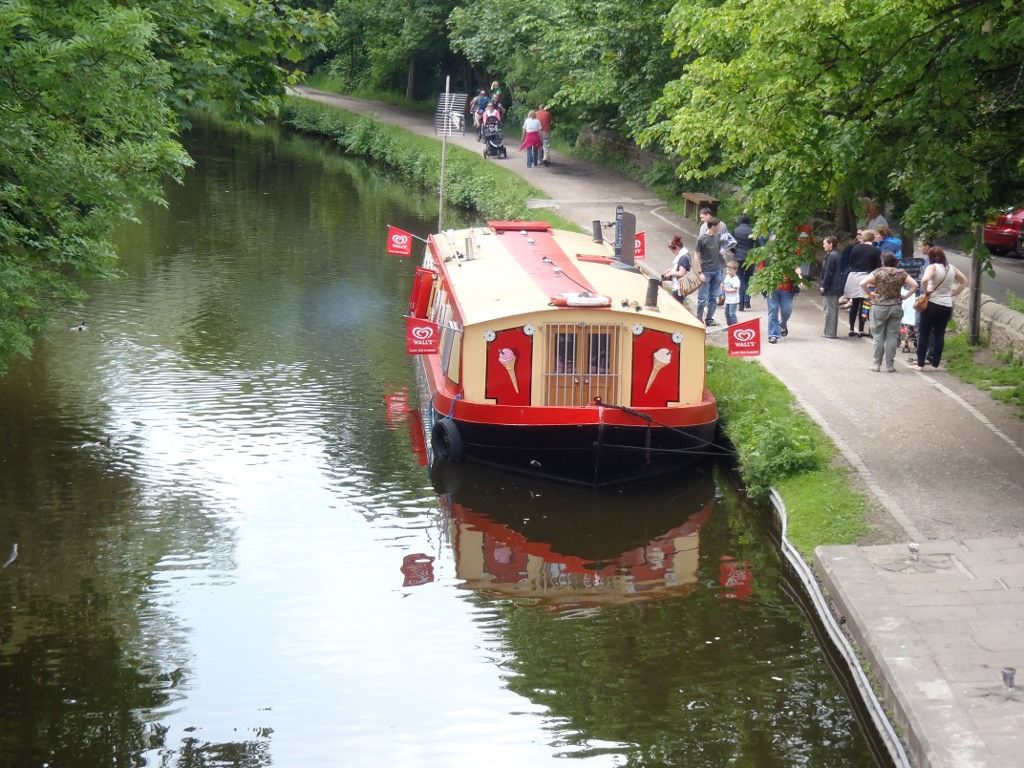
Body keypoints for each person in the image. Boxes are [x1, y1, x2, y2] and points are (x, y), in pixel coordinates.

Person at [859, 253, 918, 371]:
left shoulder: (878, 272)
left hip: (879, 307)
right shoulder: (901, 273)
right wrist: (905, 296)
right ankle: (890, 365)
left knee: (878, 336)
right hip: (896, 307)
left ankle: (876, 364)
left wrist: (870, 294)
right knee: (892, 336)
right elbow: (915, 285)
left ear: (883, 261)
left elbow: (862, 283)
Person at [914, 247, 968, 370]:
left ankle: (920, 363)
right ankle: (935, 364)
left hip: (932, 304)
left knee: (924, 334)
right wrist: (953, 293)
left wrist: (927, 291)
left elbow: (925, 279)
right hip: (946, 306)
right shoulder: (951, 268)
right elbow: (964, 281)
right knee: (939, 334)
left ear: (931, 257)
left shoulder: (932, 267)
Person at [843, 228, 882, 337]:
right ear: (873, 238)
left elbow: (850, 262)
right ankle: (861, 329)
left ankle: (851, 328)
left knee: (854, 304)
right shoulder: (876, 250)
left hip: (854, 276)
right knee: (864, 305)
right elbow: (878, 267)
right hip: (867, 277)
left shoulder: (855, 248)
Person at [694, 218, 726, 326]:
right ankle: (699, 319)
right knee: (702, 298)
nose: (720, 227)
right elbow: (696, 256)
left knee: (713, 297)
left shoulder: (718, 237)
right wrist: (700, 272)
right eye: (718, 226)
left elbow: (720, 252)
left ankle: (709, 319)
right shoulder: (702, 239)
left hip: (717, 270)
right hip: (706, 271)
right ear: (713, 226)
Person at [763, 263, 802, 343]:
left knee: (787, 310)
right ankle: (773, 335)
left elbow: (797, 267)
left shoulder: (790, 255)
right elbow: (762, 270)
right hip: (772, 288)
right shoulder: (767, 255)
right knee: (773, 310)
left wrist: (799, 275)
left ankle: (782, 325)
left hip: (787, 289)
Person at [819, 236, 845, 338]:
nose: (823, 245)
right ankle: (830, 332)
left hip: (831, 287)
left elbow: (828, 272)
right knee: (832, 309)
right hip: (836, 286)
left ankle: (829, 332)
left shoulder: (831, 256)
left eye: (825, 243)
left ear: (830, 244)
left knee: (829, 310)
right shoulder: (837, 255)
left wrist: (824, 285)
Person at [732, 213, 756, 309]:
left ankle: (740, 303)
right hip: (750, 257)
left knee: (740, 279)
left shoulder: (735, 230)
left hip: (738, 258)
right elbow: (757, 244)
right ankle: (747, 300)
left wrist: (735, 251)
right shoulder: (753, 231)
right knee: (749, 279)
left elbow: (730, 243)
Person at [661, 235, 693, 304]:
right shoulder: (684, 255)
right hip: (679, 287)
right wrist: (671, 270)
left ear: (677, 248)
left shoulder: (683, 257)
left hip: (678, 288)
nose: (673, 253)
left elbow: (681, 273)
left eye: (673, 251)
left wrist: (671, 273)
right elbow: (680, 268)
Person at [723, 260, 741, 326]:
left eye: (730, 271)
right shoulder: (727, 276)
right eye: (727, 270)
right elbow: (725, 284)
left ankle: (735, 326)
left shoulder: (736, 279)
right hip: (727, 299)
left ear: (735, 270)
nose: (728, 272)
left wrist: (726, 290)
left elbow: (735, 289)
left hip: (733, 300)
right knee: (726, 313)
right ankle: (729, 326)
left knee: (732, 314)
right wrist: (722, 286)